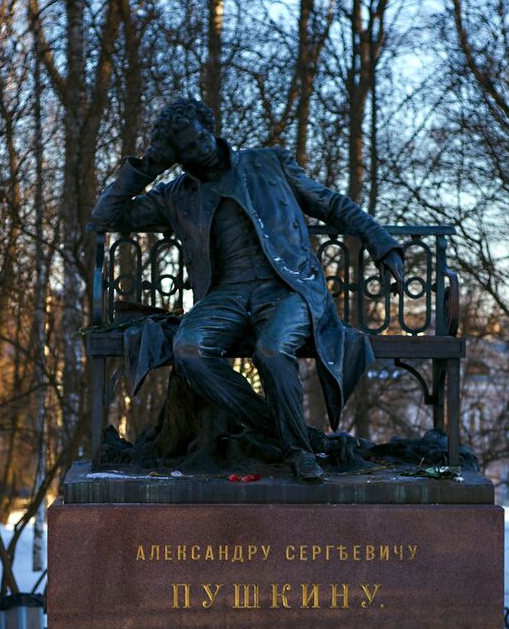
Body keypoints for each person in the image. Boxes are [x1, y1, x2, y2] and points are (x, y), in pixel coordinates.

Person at [88, 98, 406, 483]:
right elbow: (106, 217)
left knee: (272, 349)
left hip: (288, 286)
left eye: (201, 136)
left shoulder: (268, 162)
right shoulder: (175, 195)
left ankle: (299, 451)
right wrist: (145, 168)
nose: (199, 148)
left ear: (211, 127)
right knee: (188, 349)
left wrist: (382, 243)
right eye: (186, 148)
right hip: (226, 296)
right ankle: (286, 433)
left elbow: (331, 204)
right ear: (177, 157)